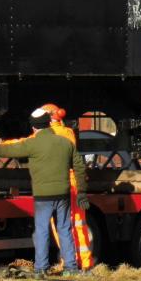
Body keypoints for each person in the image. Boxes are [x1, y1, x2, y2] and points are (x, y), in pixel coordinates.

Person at [0, 108, 88, 278]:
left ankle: (41, 268)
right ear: (48, 123)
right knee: (65, 229)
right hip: (63, 193)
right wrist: (81, 192)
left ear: (34, 127)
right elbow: (80, 167)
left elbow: (9, 150)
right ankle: (71, 268)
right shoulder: (66, 142)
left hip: (43, 196)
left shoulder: (32, 143)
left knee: (42, 230)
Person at [40, 103, 94, 271]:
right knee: (77, 223)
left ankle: (71, 262)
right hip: (73, 182)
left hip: (60, 183)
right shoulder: (68, 132)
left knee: (62, 225)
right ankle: (83, 262)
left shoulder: (47, 134)